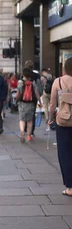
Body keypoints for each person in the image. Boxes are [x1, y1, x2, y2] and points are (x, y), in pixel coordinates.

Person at [48, 57, 72, 197]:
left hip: (63, 121)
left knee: (65, 154)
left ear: (64, 68)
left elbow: (52, 104)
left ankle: (70, 187)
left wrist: (50, 119)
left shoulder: (58, 82)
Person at [16, 67, 41, 143]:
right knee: (30, 121)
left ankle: (22, 131)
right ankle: (29, 136)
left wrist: (16, 99)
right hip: (31, 104)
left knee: (22, 119)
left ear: (23, 74)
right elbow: (36, 93)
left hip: (22, 103)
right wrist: (40, 101)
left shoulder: (20, 82)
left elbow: (18, 92)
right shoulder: (33, 82)